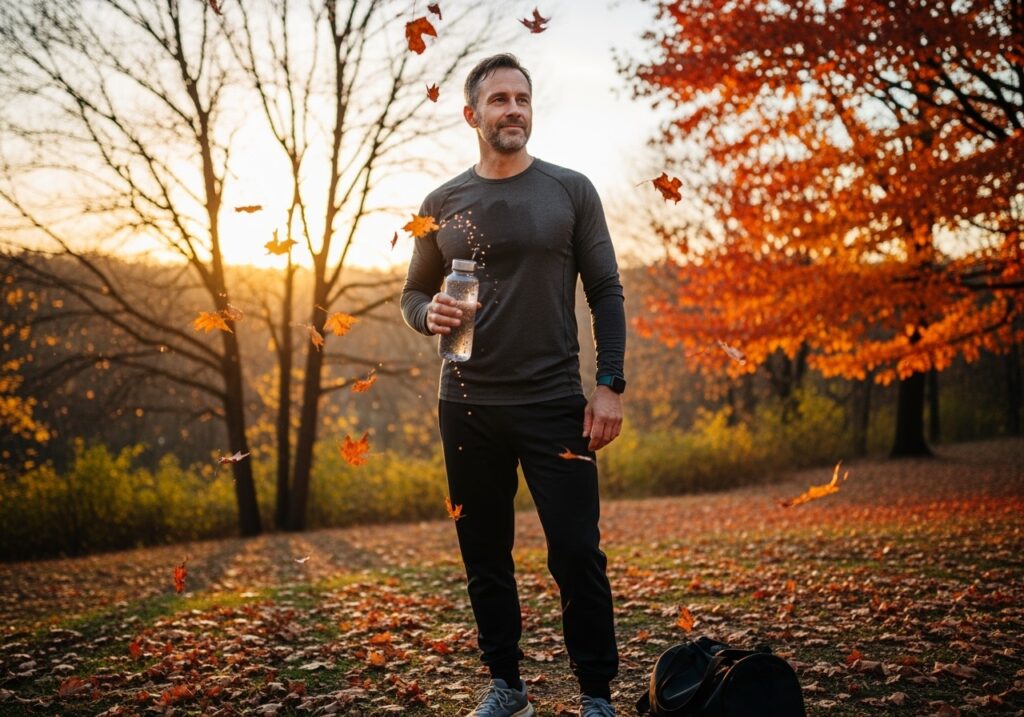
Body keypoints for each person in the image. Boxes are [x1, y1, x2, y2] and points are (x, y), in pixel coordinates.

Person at [401, 53, 626, 717]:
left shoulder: (570, 190)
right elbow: (414, 293)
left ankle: (596, 695)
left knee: (578, 552)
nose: (514, 110)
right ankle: (508, 686)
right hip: (466, 406)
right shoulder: (441, 203)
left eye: (522, 99)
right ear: (472, 115)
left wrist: (608, 383)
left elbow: (606, 289)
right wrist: (426, 315)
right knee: (484, 555)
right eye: (499, 100)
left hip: (555, 403)